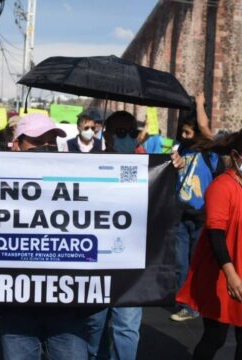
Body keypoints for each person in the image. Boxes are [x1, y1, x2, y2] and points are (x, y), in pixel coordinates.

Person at [0, 113, 91, 360]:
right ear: (17, 145)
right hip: (14, 305)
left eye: (50, 141)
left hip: (66, 303)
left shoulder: (75, 177)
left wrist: (165, 167)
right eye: (37, 141)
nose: (46, 147)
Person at [87, 110, 184, 360]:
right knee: (94, 327)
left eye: (132, 132)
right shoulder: (88, 164)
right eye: (121, 133)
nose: (128, 138)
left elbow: (168, 200)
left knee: (127, 327)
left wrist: (174, 168)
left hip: (132, 263)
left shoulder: (149, 165)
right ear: (106, 135)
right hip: (95, 262)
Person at [176, 130, 242, 359]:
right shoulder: (221, 187)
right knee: (215, 337)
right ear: (236, 156)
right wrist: (231, 274)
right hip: (222, 274)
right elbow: (216, 233)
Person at [170, 94, 224, 322]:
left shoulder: (209, 150)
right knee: (181, 261)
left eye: (188, 132)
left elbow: (203, 125)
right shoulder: (182, 149)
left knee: (197, 262)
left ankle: (196, 303)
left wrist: (200, 104)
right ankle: (186, 302)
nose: (184, 136)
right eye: (182, 131)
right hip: (182, 214)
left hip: (202, 216)